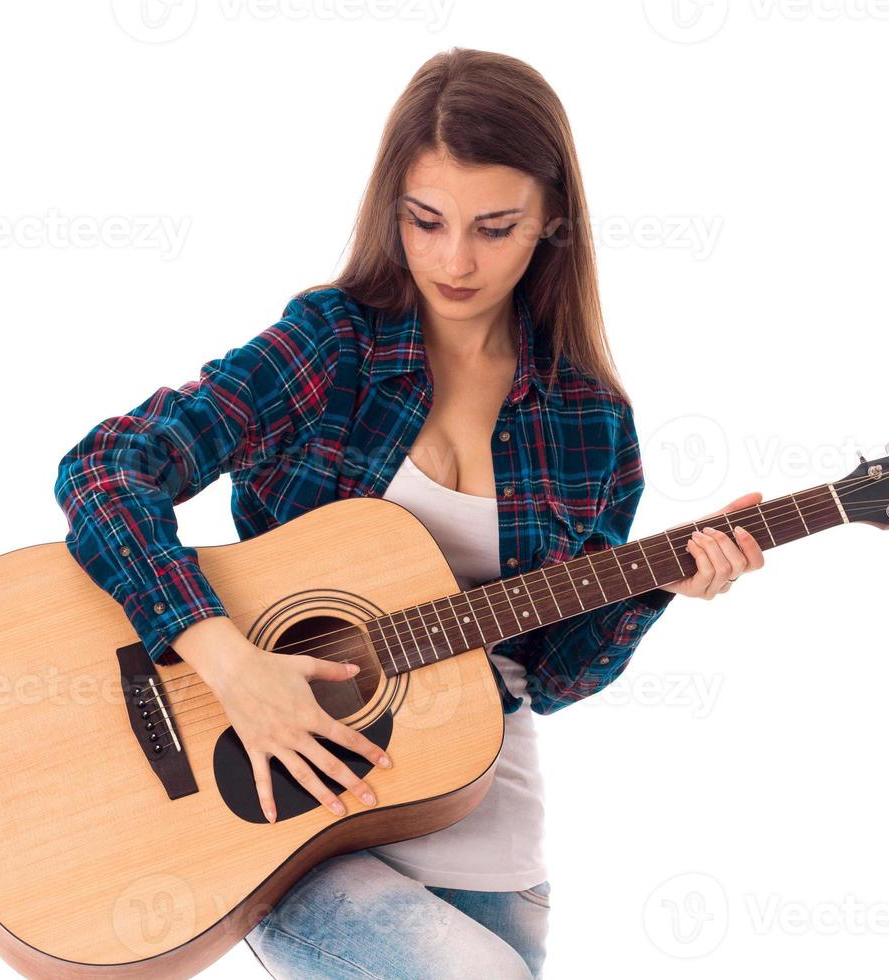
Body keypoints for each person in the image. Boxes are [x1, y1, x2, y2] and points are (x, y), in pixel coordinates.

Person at [53, 47, 764, 980]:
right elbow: (107, 470)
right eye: (426, 221)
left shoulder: (590, 417)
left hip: (488, 833)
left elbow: (550, 677)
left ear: (552, 220)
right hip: (289, 826)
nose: (454, 260)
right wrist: (228, 663)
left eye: (495, 227)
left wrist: (656, 586)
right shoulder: (331, 347)